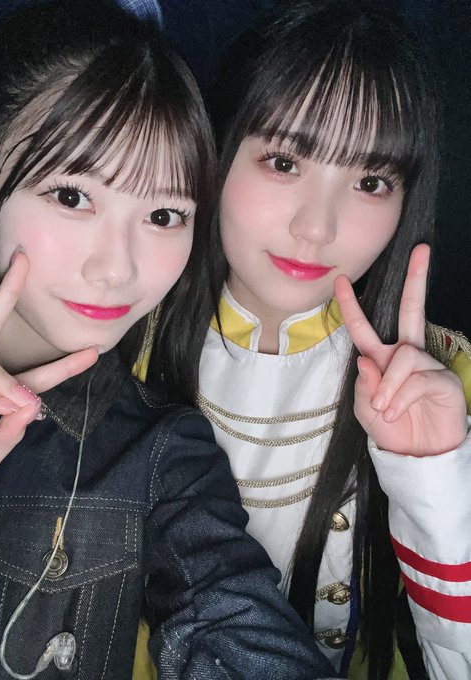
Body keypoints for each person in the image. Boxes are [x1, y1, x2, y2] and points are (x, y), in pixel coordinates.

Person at [0, 2, 337, 679]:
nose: (118, 268)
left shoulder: (162, 458)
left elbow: (235, 623)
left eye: (163, 215)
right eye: (72, 196)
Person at [189, 1, 471, 678]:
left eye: (370, 182)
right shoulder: (115, 363)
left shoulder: (450, 383)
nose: (317, 228)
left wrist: (433, 480)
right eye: (284, 161)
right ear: (217, 151)